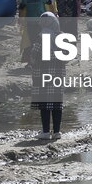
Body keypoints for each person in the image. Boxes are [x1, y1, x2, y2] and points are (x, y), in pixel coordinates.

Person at [29, 12, 65, 140]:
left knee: (44, 103)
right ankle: (57, 132)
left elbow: (35, 53)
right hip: (58, 73)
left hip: (43, 73)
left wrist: (32, 62)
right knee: (56, 103)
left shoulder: (42, 36)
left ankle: (45, 131)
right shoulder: (61, 36)